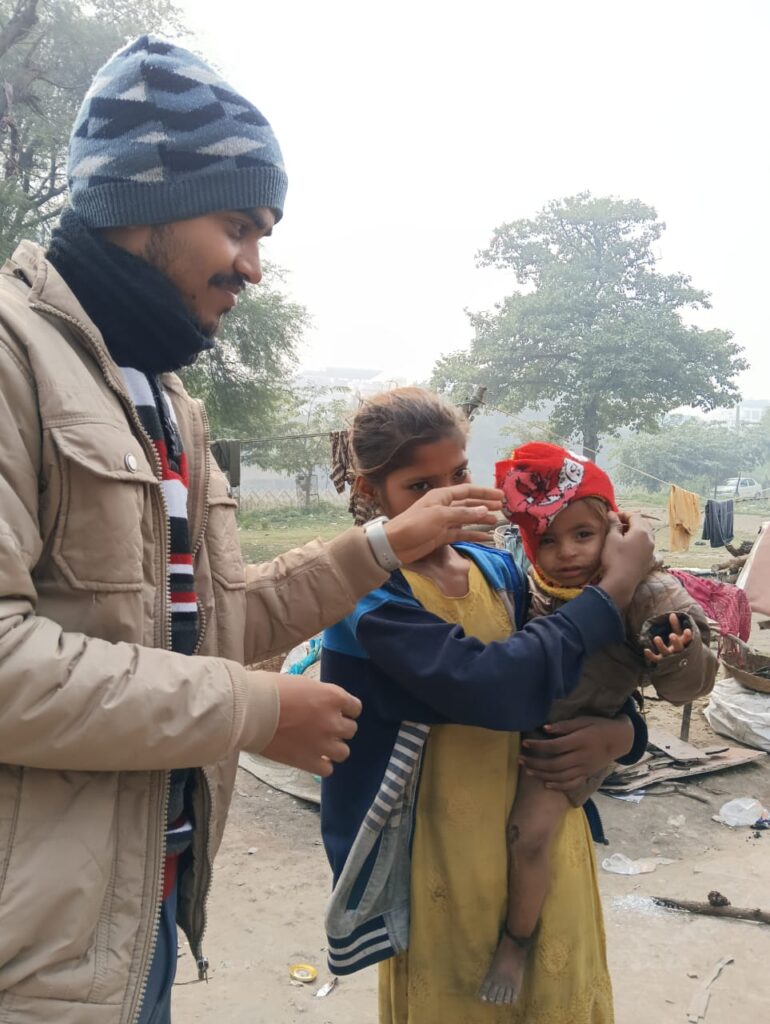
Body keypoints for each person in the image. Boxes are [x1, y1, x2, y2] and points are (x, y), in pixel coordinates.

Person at [0, 38, 504, 1024]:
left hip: (132, 910)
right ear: (138, 201)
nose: (254, 268)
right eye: (237, 226)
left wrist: (383, 547)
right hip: (27, 946)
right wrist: (255, 708)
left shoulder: (164, 402)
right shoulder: (15, 361)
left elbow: (219, 619)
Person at [319, 388, 655, 1024]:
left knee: (554, 992)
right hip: (439, 849)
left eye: (458, 475)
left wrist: (622, 734)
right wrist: (614, 588)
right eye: (421, 486)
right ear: (371, 490)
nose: (449, 499)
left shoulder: (497, 569)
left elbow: (573, 674)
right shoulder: (366, 595)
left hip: (541, 829)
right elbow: (491, 685)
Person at [479, 442, 717, 1004]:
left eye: (583, 534)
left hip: (568, 742)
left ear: (614, 531)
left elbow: (691, 681)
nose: (566, 553)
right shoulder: (534, 582)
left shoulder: (646, 590)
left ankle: (516, 942)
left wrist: (677, 652)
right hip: (523, 727)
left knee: (527, 837)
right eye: (547, 540)